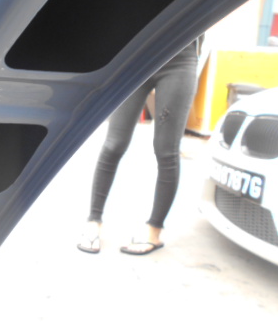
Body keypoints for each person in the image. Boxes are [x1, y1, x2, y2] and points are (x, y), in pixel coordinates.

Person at [77, 39, 200, 255]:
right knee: (114, 144)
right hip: (136, 58)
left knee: (166, 150)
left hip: (178, 60)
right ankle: (93, 220)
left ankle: (154, 230)